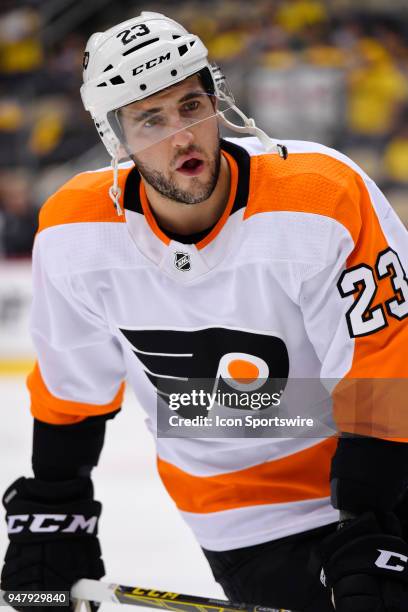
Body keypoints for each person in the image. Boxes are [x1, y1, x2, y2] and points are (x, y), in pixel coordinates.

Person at [2, 11, 408, 612]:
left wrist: (371, 520)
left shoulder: (320, 194)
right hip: (247, 516)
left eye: (191, 106)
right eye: (151, 120)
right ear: (116, 138)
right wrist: (55, 506)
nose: (182, 137)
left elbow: (382, 363)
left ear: (217, 103)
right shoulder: (76, 231)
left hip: (387, 471)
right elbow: (71, 384)